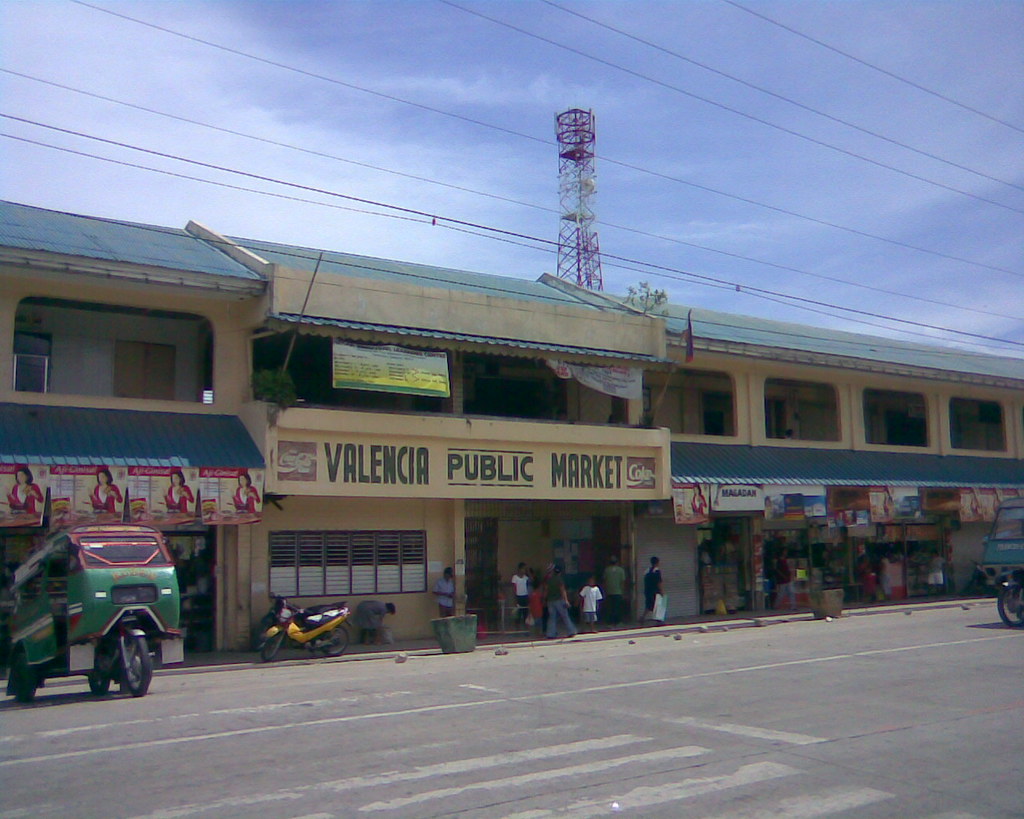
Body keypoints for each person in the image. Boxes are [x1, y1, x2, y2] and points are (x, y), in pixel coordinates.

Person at [545, 565, 577, 639]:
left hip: (550, 601)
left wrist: (544, 599)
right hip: (559, 600)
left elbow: (546, 591)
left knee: (552, 618)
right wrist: (566, 600)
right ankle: (571, 631)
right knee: (565, 616)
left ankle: (550, 634)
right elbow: (562, 590)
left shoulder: (548, 580)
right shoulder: (559, 579)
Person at [602, 555, 626, 626]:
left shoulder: (607, 570)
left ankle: (610, 622)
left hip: (609, 592)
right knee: (617, 608)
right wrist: (623, 591)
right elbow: (623, 582)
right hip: (618, 592)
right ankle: (618, 622)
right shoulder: (621, 570)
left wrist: (605, 590)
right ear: (617, 562)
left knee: (610, 608)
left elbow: (604, 580)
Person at [642, 556, 663, 624]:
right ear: (657, 562)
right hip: (655, 591)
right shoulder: (657, 571)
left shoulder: (647, 570)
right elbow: (659, 582)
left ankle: (642, 618)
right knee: (658, 605)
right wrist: (661, 591)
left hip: (648, 591)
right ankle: (659, 620)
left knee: (649, 605)